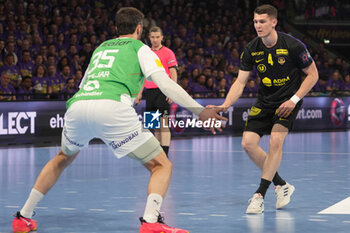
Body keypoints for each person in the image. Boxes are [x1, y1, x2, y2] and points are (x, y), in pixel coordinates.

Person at [12, 7, 226, 233]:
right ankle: (151, 222)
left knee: (63, 157)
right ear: (139, 29)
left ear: (116, 29)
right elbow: (167, 84)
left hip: (78, 105)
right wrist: (199, 111)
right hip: (112, 108)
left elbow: (83, 84)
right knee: (161, 165)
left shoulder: (101, 48)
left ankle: (23, 216)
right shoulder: (141, 49)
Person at [208, 4, 318, 214]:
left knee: (276, 140)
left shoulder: (293, 46)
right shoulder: (251, 49)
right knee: (248, 144)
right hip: (265, 100)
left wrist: (294, 99)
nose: (257, 26)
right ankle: (282, 185)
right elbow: (240, 83)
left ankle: (259, 195)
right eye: (255, 22)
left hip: (288, 101)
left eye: (262, 21)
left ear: (274, 22)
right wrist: (225, 104)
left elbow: (313, 75)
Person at [136, 26, 178, 157]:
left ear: (162, 38)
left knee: (163, 124)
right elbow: (143, 75)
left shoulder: (168, 52)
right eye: (152, 37)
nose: (155, 40)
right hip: (150, 92)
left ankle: (165, 154)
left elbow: (173, 73)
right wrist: (139, 93)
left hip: (163, 90)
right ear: (149, 37)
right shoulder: (146, 53)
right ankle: (157, 154)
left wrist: (171, 92)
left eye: (157, 37)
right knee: (153, 126)